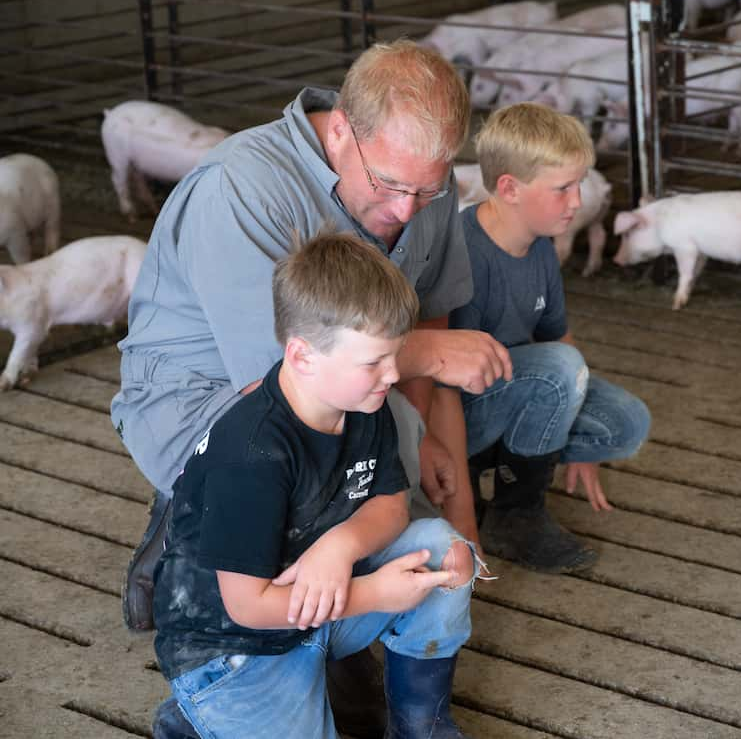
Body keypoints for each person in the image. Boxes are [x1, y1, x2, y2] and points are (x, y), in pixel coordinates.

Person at [112, 40, 508, 738]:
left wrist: (447, 494)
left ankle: (344, 640)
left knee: (388, 434)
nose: (409, 210)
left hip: (350, 398)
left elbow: (422, 329)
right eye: (389, 185)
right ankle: (191, 533)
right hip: (208, 399)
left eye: (428, 190)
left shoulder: (420, 188)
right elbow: (279, 376)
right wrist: (430, 368)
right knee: (314, 450)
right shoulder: (242, 184)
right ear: (339, 133)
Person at [153, 231, 478, 739]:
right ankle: (200, 716)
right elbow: (248, 606)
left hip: (316, 604)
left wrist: (340, 546)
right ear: (303, 356)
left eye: (394, 355)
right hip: (236, 646)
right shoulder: (252, 453)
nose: (392, 374)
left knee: (444, 550)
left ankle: (421, 726)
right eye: (374, 361)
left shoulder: (362, 401)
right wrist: (372, 592)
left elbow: (391, 501)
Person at [449, 102, 651, 573]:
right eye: (562, 188)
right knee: (560, 372)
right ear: (509, 188)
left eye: (578, 185)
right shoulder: (467, 256)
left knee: (625, 423)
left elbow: (559, 336)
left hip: (524, 387)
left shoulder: (538, 245)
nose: (577, 201)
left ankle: (513, 490)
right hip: (459, 413)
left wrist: (574, 422)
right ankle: (517, 511)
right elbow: (442, 388)